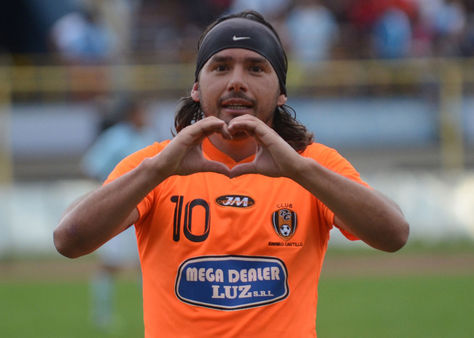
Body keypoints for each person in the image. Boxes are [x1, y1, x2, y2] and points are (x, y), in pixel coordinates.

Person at [54, 10, 409, 337]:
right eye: (221, 67)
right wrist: (158, 169)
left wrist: (300, 170)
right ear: (196, 87)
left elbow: (394, 234)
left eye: (256, 68)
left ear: (281, 91)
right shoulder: (157, 164)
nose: (237, 82)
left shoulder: (312, 165)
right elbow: (68, 240)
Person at [81, 98, 154, 328]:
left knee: (149, 263)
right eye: (142, 111)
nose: (146, 116)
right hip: (120, 211)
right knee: (110, 265)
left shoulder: (148, 136)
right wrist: (110, 192)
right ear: (132, 113)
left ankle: (153, 314)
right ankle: (101, 314)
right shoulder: (116, 137)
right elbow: (91, 166)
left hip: (147, 210)